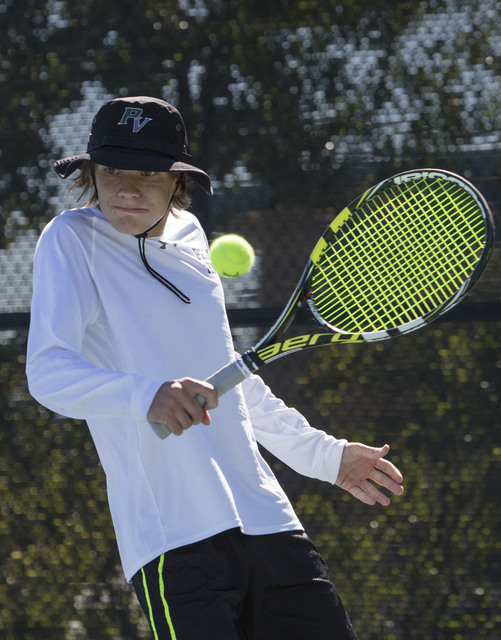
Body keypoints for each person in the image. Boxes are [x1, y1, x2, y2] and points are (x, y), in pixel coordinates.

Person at [26, 96, 404, 640]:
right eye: (111, 171)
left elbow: (231, 381)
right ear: (91, 173)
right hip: (173, 539)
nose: (126, 188)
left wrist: (325, 455)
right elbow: (49, 373)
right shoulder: (70, 240)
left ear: (176, 182)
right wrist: (147, 395)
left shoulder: (192, 237)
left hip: (268, 521)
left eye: (147, 173)